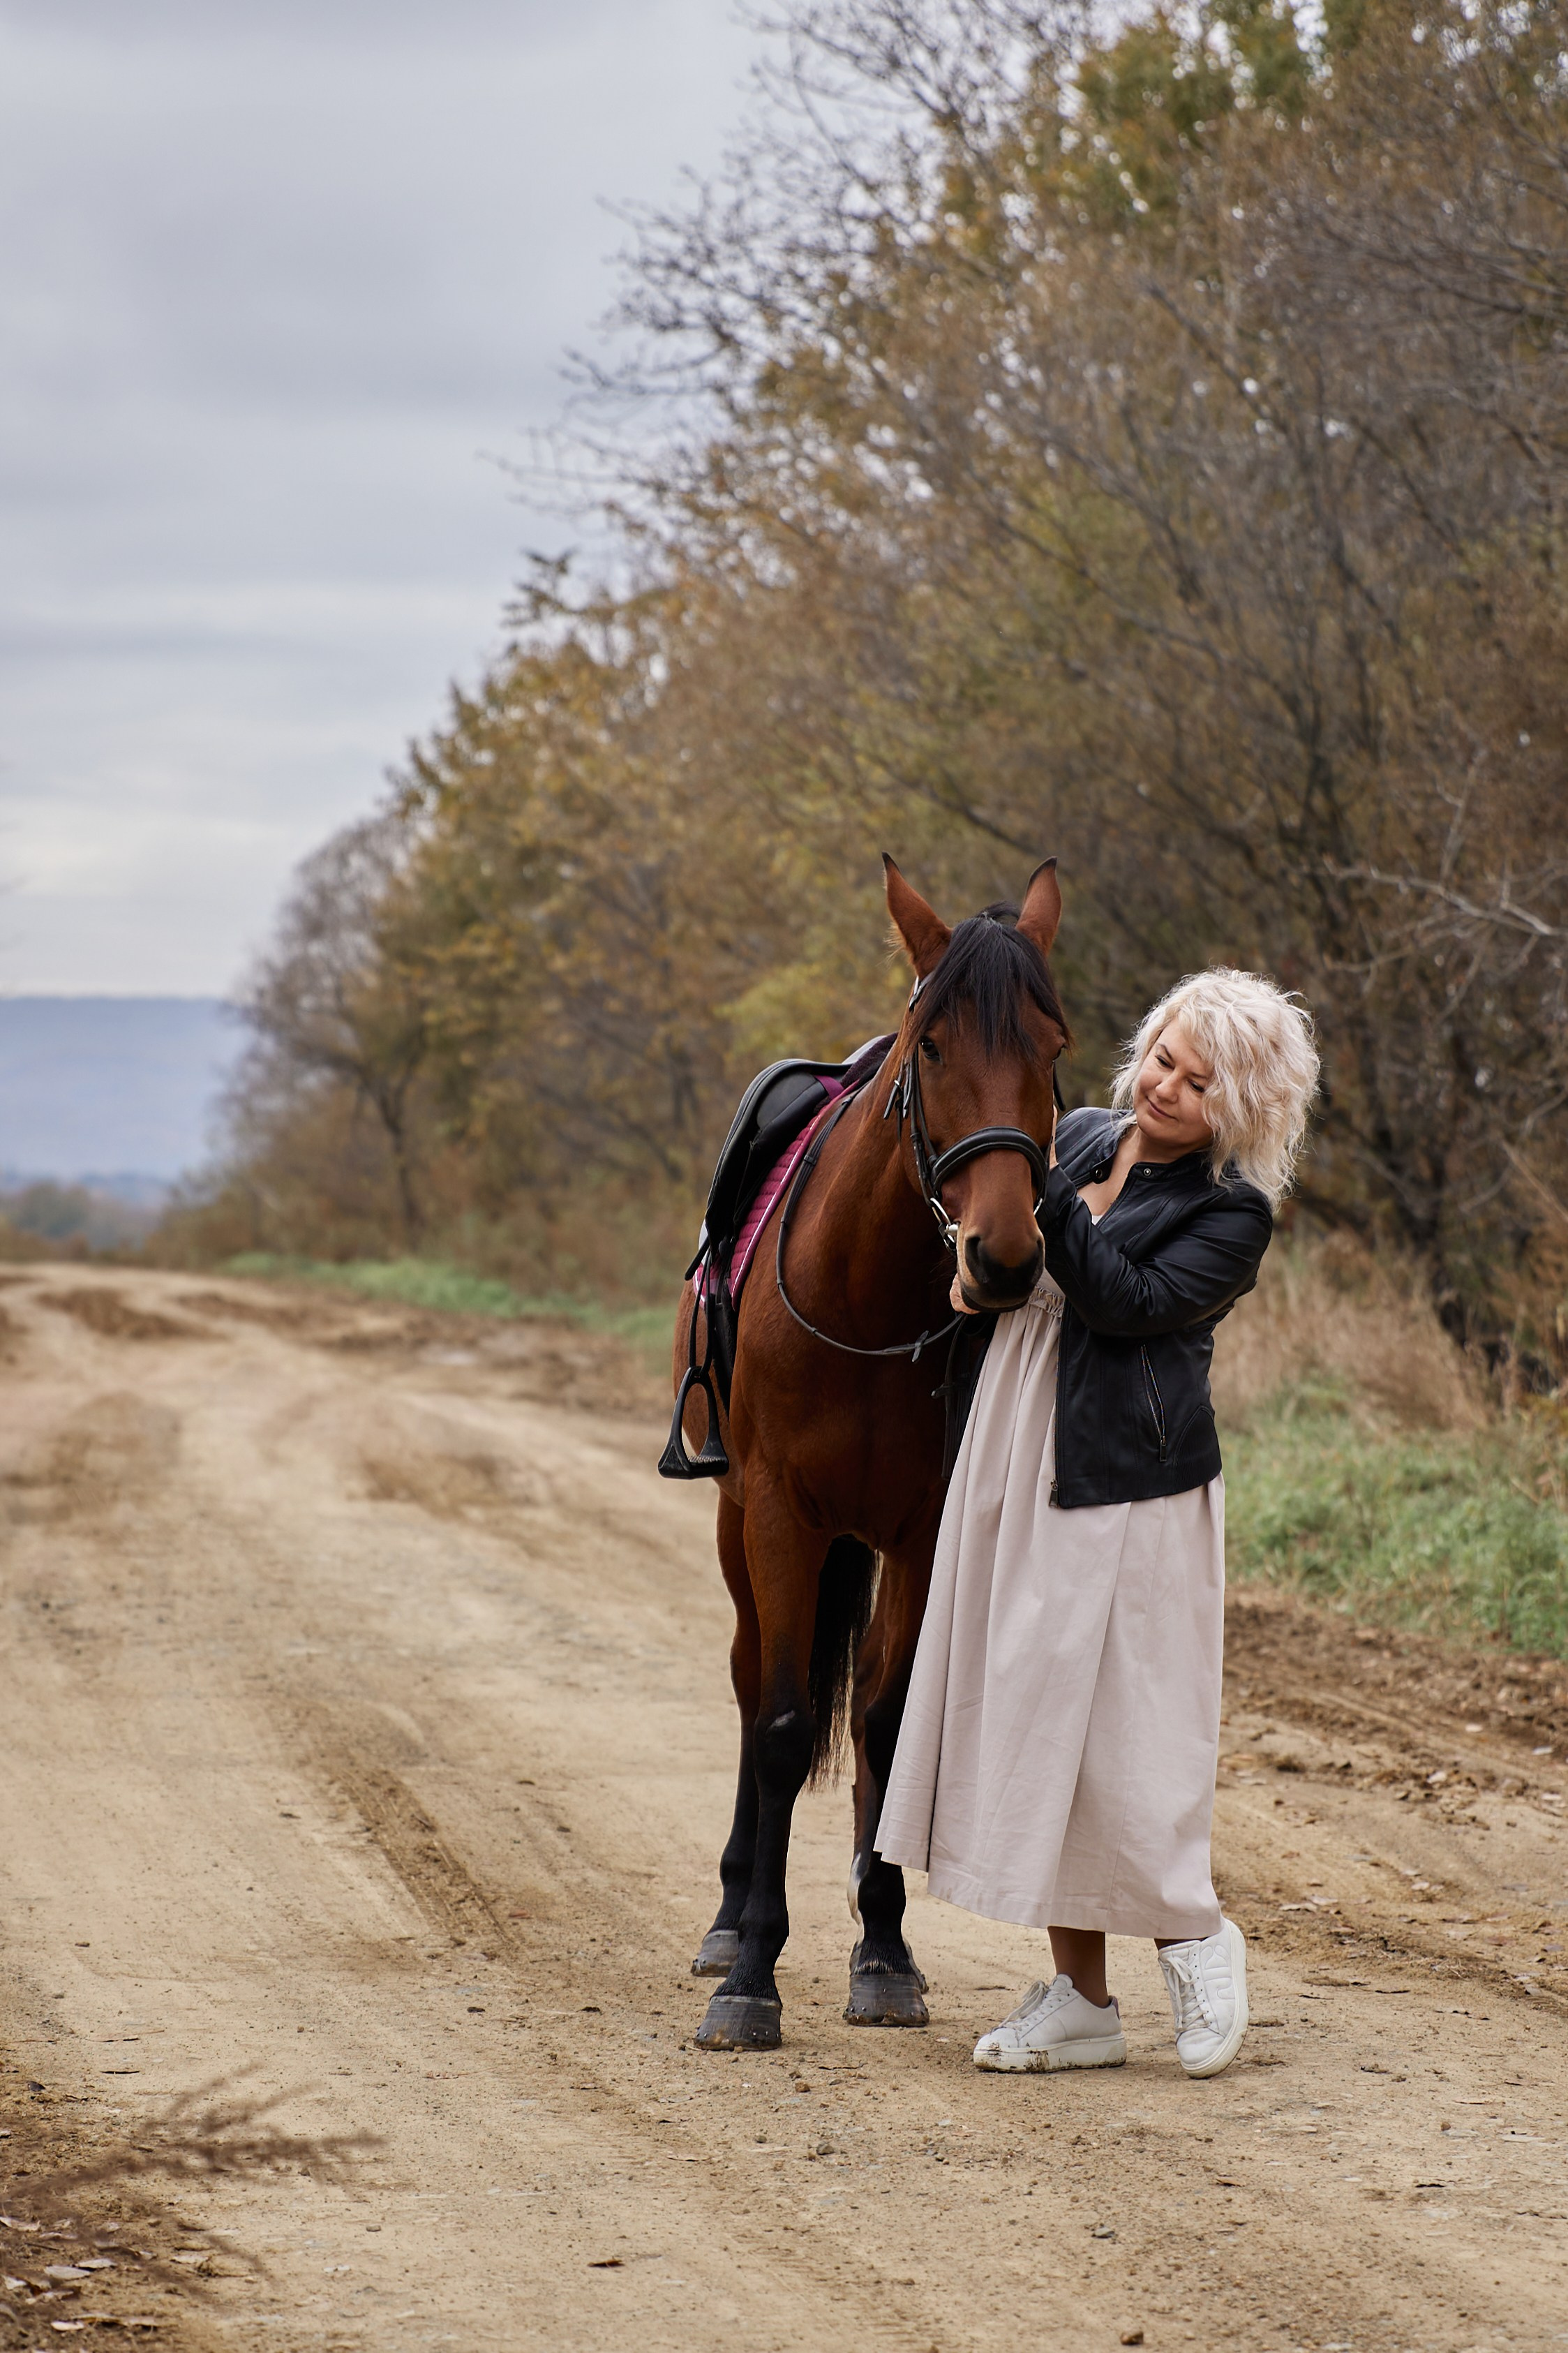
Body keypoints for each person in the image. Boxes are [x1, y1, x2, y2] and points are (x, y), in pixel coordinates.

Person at [876, 966, 1319, 2079]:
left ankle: (1197, 1934)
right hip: (1022, 1454)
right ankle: (1079, 1996)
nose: (1165, 1087)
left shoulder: (1233, 1213)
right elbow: (1013, 1274)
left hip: (1134, 1488)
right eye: (1163, 1058)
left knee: (1129, 1735)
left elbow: (1124, 1302)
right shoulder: (1075, 1134)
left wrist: (1044, 1195)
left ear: (1245, 1106)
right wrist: (983, 1275)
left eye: (1199, 1080)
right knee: (1034, 1721)